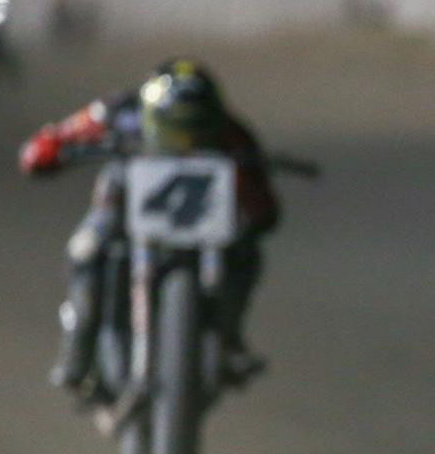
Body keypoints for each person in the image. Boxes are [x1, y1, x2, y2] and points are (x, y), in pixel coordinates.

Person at [19, 57, 279, 400]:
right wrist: (45, 148)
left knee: (246, 252)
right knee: (84, 250)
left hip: (203, 223)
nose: (186, 142)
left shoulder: (232, 131)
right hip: (120, 212)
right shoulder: (118, 110)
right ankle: (77, 345)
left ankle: (228, 338)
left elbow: (261, 201)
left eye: (197, 130)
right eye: (177, 128)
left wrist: (255, 212)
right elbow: (61, 136)